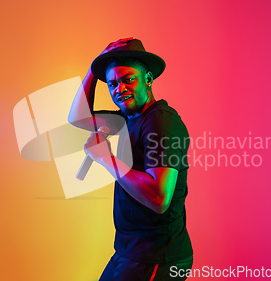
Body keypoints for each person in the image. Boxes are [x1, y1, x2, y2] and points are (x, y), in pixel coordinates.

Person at [68, 38, 193, 281]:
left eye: (128, 79)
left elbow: (159, 197)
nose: (119, 88)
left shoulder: (161, 122)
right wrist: (96, 66)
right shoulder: (128, 118)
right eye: (112, 83)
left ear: (148, 79)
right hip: (130, 251)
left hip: (156, 257)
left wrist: (106, 159)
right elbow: (78, 117)